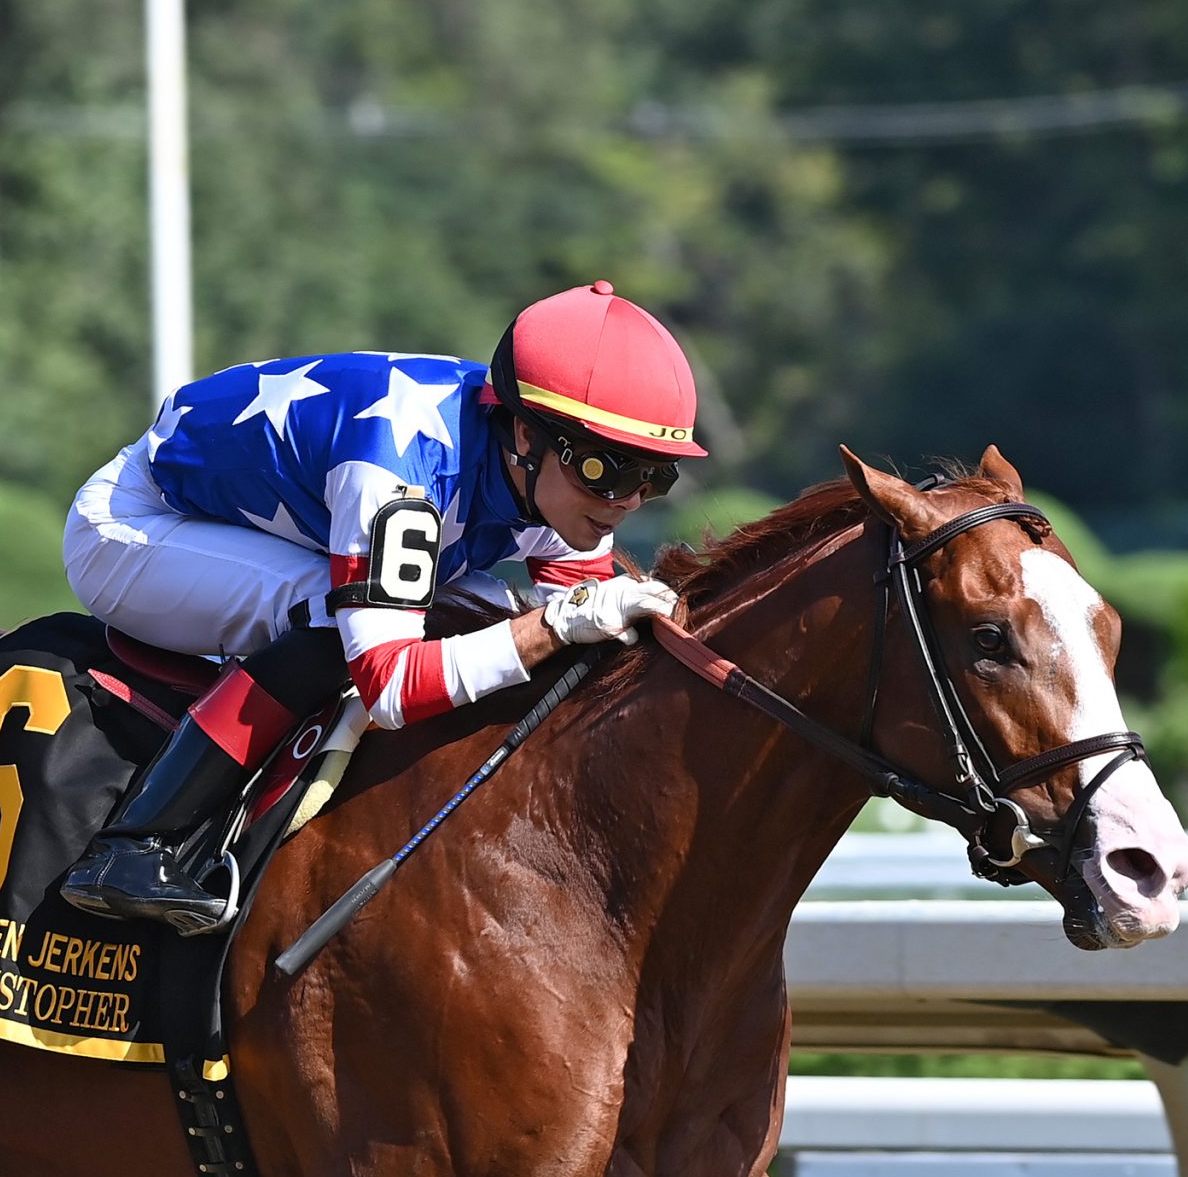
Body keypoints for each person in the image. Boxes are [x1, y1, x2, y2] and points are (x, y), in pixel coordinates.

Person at [60, 281, 709, 934]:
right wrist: (557, 622)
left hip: (269, 526)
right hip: (133, 528)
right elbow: (392, 687)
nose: (627, 499)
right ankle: (134, 846)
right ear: (523, 433)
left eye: (654, 476)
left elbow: (573, 636)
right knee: (331, 615)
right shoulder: (402, 472)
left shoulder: (552, 482)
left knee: (487, 606)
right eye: (607, 470)